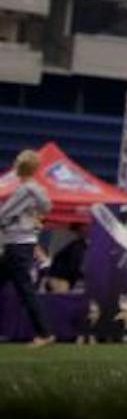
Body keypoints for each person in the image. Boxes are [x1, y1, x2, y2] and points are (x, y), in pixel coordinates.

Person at [1, 148, 55, 347]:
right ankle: (44, 332)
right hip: (23, 243)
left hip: (16, 243)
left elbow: (4, 214)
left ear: (18, 167)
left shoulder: (25, 190)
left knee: (26, 290)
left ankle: (45, 333)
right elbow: (46, 209)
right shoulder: (37, 189)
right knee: (25, 289)